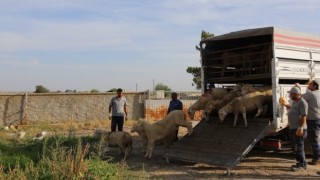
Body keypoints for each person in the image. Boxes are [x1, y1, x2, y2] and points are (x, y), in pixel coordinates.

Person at [282, 86, 308, 171]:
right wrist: (285, 104)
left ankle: (302, 165)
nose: (290, 95)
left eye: (291, 94)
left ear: (296, 94)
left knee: (299, 146)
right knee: (296, 146)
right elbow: (293, 110)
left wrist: (300, 127)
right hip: (294, 127)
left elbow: (303, 116)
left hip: (299, 128)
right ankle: (301, 162)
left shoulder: (302, 103)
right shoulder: (295, 101)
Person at [301, 79, 320, 165]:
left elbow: (299, 96)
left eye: (310, 84)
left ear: (315, 86)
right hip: (318, 118)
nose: (309, 85)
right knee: (316, 139)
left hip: (313, 120)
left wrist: (298, 87)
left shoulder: (311, 94)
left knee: (313, 140)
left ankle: (316, 159)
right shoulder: (317, 93)